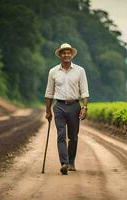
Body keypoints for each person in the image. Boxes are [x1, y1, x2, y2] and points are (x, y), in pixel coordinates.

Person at [44, 43, 89, 175]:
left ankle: (71, 161)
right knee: (61, 135)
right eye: (63, 53)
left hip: (75, 106)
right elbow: (49, 93)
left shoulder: (80, 71)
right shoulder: (53, 72)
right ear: (60, 55)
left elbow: (84, 91)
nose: (66, 55)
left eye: (68, 52)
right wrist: (48, 111)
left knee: (73, 137)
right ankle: (64, 163)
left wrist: (84, 107)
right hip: (59, 106)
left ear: (72, 54)